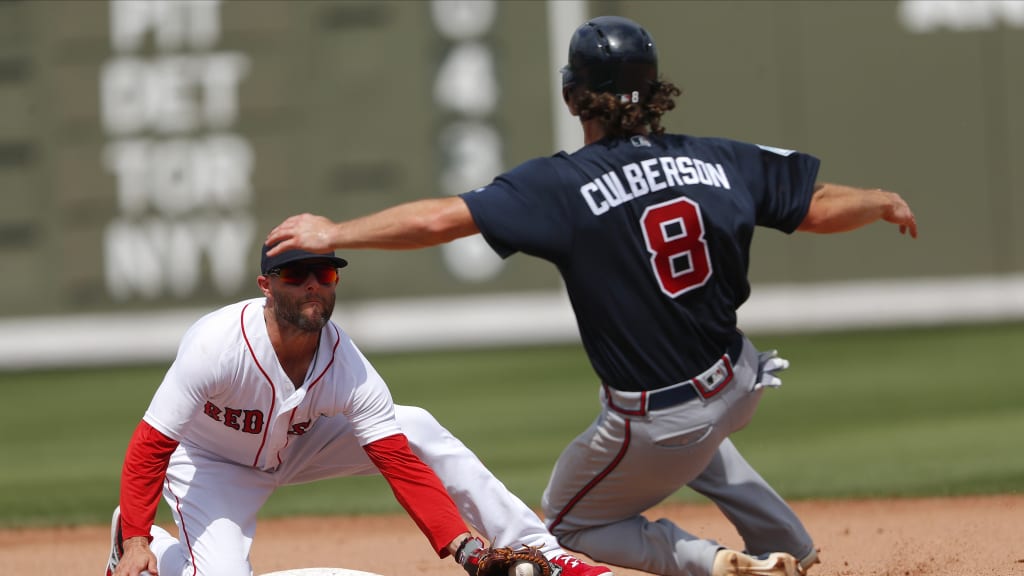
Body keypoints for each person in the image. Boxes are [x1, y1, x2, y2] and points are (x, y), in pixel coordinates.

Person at [265, 15, 917, 576]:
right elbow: (818, 204)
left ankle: (709, 563)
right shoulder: (720, 157)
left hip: (661, 419)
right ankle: (785, 546)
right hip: (741, 379)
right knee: (701, 434)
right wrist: (881, 201)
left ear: (574, 97)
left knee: (567, 524)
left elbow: (442, 219)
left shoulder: (564, 185)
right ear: (657, 90)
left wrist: (337, 230)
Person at [104, 243, 613, 576]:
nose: (312, 285)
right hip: (210, 464)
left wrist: (465, 549)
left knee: (412, 425)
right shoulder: (219, 346)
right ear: (266, 285)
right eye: (295, 273)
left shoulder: (346, 363)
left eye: (323, 273)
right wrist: (135, 541)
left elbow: (398, 461)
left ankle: (544, 555)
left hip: (295, 448)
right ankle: (147, 543)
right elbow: (152, 444)